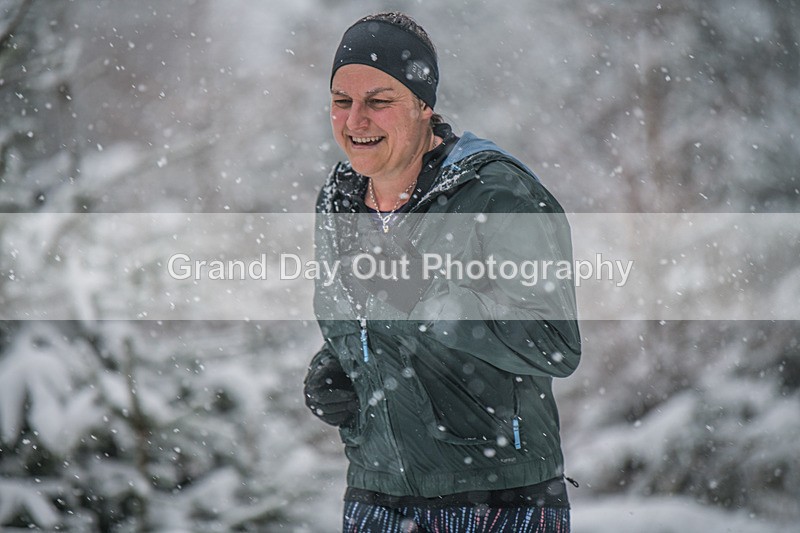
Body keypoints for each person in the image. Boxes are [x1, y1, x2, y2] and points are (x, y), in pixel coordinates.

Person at [304, 11, 581, 533]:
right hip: (374, 496)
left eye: (378, 102)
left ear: (424, 106)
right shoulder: (338, 199)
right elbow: (361, 321)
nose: (355, 120)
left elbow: (555, 343)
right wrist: (339, 369)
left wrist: (427, 297)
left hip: (499, 501)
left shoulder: (495, 195)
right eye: (342, 102)